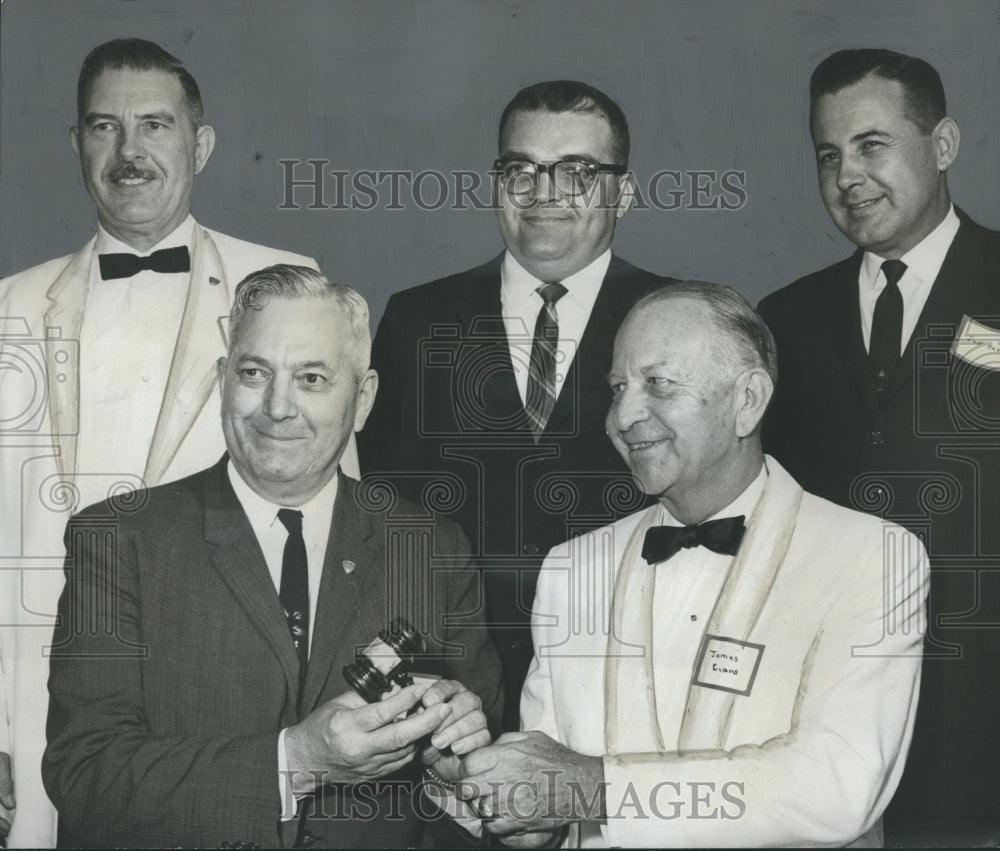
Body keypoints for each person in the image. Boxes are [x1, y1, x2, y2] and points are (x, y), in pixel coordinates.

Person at [41, 265, 502, 848]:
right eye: (255, 372)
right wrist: (296, 759)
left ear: (363, 400)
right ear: (222, 380)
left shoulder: (434, 547)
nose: (277, 407)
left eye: (312, 378)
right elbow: (85, 776)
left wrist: (455, 772)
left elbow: (474, 793)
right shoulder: (118, 539)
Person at [0, 38, 329, 847]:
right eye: (105, 128)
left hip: (234, 697)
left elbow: (330, 521)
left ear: (201, 144)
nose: (129, 151)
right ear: (78, 146)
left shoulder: (288, 282)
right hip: (44, 699)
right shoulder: (9, 305)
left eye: (154, 125)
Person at [459, 284, 928, 847]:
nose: (624, 416)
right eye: (617, 389)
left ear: (748, 401)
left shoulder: (870, 555)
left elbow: (837, 785)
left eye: (658, 384)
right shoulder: (571, 569)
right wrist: (482, 785)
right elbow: (548, 805)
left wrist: (593, 787)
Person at [359, 81, 673, 730]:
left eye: (577, 171)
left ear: (625, 191)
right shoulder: (415, 321)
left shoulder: (681, 321)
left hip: (629, 695)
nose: (544, 194)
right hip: (445, 702)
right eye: (519, 170)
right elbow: (380, 522)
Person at [758, 49, 1000, 846]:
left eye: (871, 145)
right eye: (828, 155)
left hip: (982, 717)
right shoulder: (786, 319)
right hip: (826, 717)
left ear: (944, 143)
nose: (847, 177)